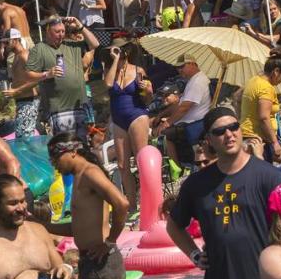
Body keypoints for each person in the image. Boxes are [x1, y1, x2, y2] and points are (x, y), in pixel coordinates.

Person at [167, 108, 281, 279]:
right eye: (220, 131)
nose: (229, 134)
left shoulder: (268, 176)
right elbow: (174, 225)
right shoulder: (196, 184)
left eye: (234, 127)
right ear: (209, 139)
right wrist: (194, 255)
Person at [45, 133, 129, 279]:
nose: (55, 165)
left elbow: (122, 203)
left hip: (101, 262)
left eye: (56, 158)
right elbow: (76, 228)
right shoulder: (78, 177)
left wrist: (110, 242)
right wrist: (42, 226)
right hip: (90, 262)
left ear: (73, 152)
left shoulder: (90, 173)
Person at [25, 15, 99, 137]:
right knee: (65, 148)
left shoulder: (71, 45)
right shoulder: (39, 49)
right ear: (48, 31)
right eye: (57, 31)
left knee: (82, 147)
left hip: (79, 105)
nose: (61, 34)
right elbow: (28, 75)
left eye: (63, 31)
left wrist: (79, 25)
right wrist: (47, 74)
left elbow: (95, 44)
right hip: (59, 109)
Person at [104, 40, 151, 201]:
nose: (114, 52)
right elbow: (109, 84)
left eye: (118, 50)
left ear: (127, 51)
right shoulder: (110, 70)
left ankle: (147, 198)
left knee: (141, 161)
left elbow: (148, 100)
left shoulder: (138, 70)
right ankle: (131, 203)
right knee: (122, 165)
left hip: (136, 114)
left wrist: (148, 90)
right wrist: (116, 60)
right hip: (118, 120)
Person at [239, 55, 281, 164]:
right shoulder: (266, 88)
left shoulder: (253, 80)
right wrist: (275, 143)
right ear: (276, 71)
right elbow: (264, 117)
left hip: (248, 134)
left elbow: (237, 98)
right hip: (259, 138)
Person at [158, 54, 211, 166]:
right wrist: (160, 116)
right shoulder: (193, 80)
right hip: (188, 123)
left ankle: (176, 169)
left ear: (192, 64)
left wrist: (167, 122)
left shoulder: (198, 81)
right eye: (177, 68)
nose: (179, 70)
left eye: (182, 66)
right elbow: (179, 105)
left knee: (164, 135)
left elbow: (185, 107)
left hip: (194, 125)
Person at [0, 28, 40, 139]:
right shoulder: (15, 58)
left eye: (7, 42)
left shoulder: (24, 56)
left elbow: (37, 79)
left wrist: (16, 91)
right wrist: (5, 100)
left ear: (15, 40)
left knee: (26, 140)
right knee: (22, 138)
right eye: (3, 42)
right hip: (21, 103)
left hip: (29, 103)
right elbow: (18, 82)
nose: (5, 45)